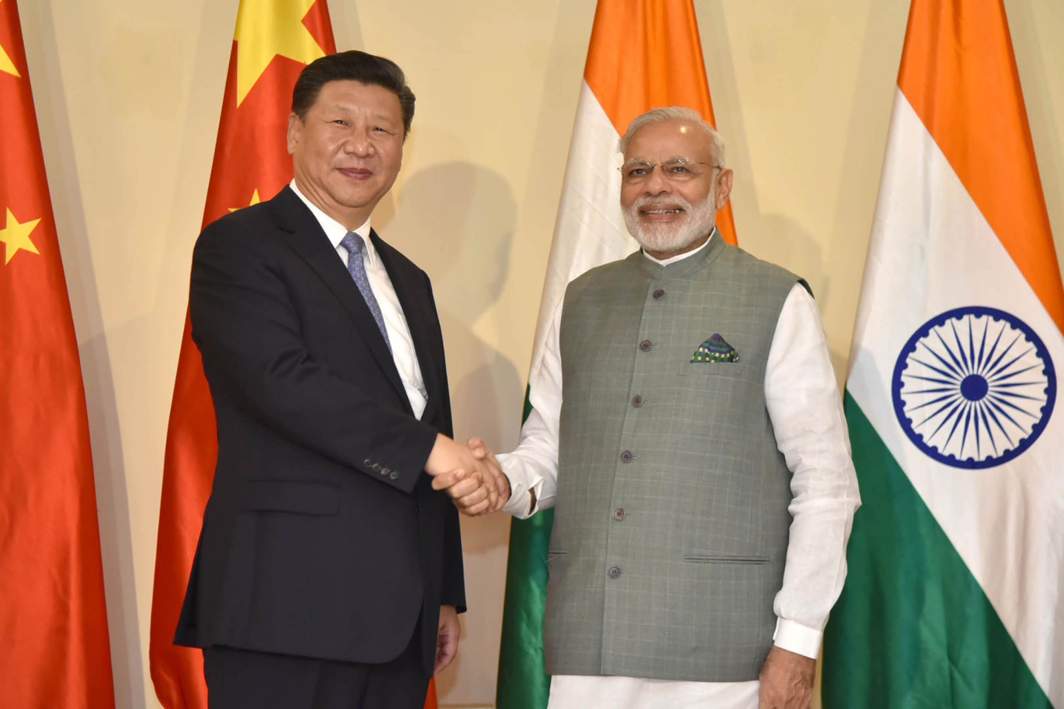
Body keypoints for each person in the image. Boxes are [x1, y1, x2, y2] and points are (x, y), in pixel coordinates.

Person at [437, 107, 861, 709]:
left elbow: (826, 483)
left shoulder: (777, 299)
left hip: (725, 652)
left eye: (679, 169)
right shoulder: (582, 299)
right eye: (638, 171)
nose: (656, 186)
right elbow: (549, 449)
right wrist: (498, 480)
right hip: (591, 646)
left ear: (723, 185)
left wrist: (797, 642)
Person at [175, 50, 495, 709]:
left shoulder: (409, 279)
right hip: (283, 610)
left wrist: (441, 591)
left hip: (398, 622)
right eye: (340, 122)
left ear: (402, 146)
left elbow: (430, 425)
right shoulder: (240, 247)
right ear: (294, 133)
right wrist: (435, 453)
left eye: (382, 129)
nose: (361, 145)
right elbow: (282, 382)